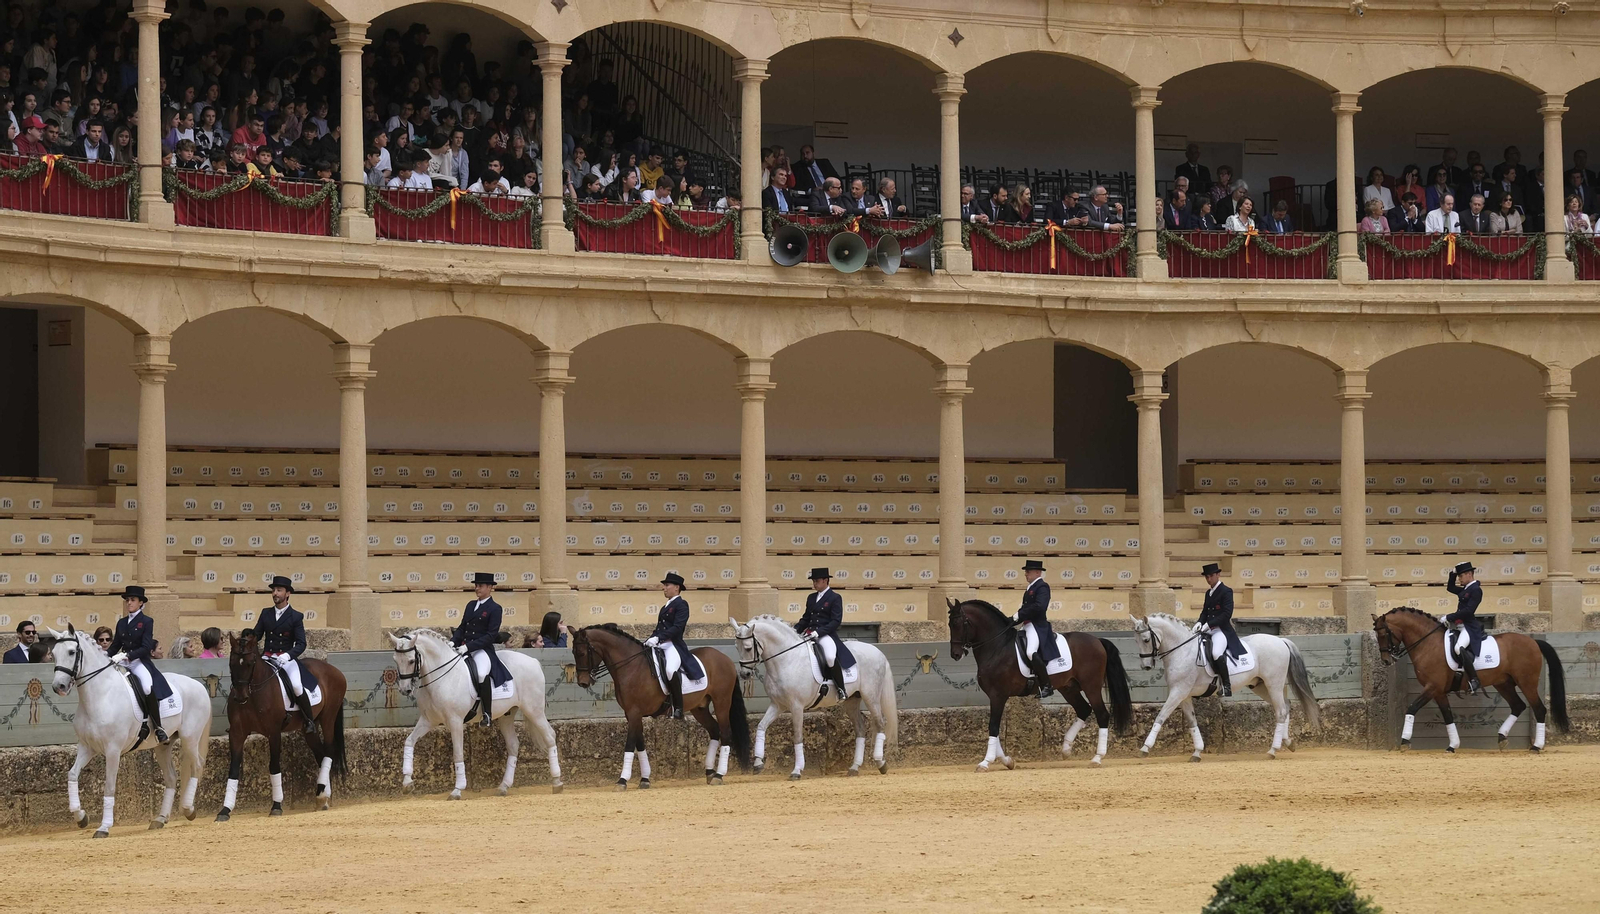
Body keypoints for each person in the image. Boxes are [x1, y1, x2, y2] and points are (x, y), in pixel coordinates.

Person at [253, 575, 317, 733]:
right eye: (274, 590)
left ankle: (309, 721)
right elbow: (257, 635)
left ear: (287, 594)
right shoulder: (265, 613)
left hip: (286, 659)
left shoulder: (296, 616)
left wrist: (288, 655)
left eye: (279, 590)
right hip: (267, 657)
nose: (275, 593)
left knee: (296, 685)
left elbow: (301, 643)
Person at [109, 585, 172, 744]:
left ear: (141, 603)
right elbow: (115, 645)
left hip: (137, 662)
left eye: (132, 600)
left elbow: (145, 647)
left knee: (146, 686)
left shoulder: (146, 621)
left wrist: (128, 655)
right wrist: (104, 656)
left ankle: (158, 727)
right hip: (122, 661)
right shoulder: (122, 623)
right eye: (127, 600)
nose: (129, 603)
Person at [454, 571, 511, 728]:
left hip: (481, 650)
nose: (477, 588)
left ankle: (487, 713)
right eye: (476, 585)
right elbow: (462, 627)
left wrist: (468, 646)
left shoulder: (495, 608)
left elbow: (491, 635)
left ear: (490, 587)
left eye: (480, 586)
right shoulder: (471, 605)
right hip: (464, 647)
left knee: (480, 673)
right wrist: (453, 642)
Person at [645, 572, 700, 719]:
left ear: (676, 587)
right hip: (660, 643)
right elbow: (659, 627)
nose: (664, 588)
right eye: (664, 585)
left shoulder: (682, 604)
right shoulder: (665, 606)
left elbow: (677, 627)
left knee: (670, 670)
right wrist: (650, 639)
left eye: (667, 585)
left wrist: (658, 637)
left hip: (672, 645)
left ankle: (678, 707)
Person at [795, 568, 854, 701]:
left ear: (825, 580)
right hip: (809, 633)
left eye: (817, 581)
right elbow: (805, 618)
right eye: (814, 581)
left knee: (829, 657)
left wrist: (819, 632)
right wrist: (794, 631)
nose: (814, 584)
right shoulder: (811, 597)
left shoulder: (835, 597)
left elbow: (835, 621)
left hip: (825, 634)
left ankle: (841, 689)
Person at [1196, 563, 1244, 697]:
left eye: (1211, 576)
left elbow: (1226, 614)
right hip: (1208, 628)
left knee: (1216, 653)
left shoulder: (1226, 591)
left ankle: (1227, 686)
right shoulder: (1208, 593)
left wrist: (1209, 624)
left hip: (1220, 630)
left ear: (1218, 575)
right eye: (1206, 576)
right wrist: (1199, 622)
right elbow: (1205, 611)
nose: (1208, 579)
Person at [1010, 559, 1056, 699]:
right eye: (1025, 571)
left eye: (1028, 571)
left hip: (1037, 625)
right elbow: (1026, 608)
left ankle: (1046, 685)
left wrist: (1020, 614)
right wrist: (1013, 620)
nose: (1026, 574)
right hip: (1027, 624)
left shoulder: (1042, 587)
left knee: (1030, 652)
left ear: (1037, 572)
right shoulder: (1030, 588)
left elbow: (1039, 607)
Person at [1444, 561, 1484, 695]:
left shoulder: (1476, 590)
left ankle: (1474, 680)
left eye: (1461, 576)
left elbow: (1468, 611)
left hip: (1468, 627)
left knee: (1458, 648)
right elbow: (1450, 587)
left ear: (1469, 574)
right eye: (1459, 576)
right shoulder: (1466, 589)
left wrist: (1449, 616)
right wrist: (1453, 574)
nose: (1459, 579)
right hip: (1458, 626)